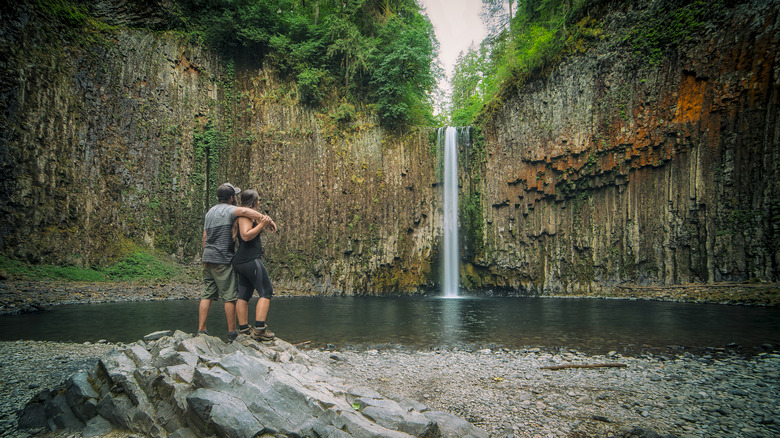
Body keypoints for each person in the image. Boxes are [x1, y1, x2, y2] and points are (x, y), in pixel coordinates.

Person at [198, 183, 271, 341]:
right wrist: (265, 220)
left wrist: (206, 253)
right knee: (231, 296)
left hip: (207, 257)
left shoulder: (210, 211)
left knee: (207, 294)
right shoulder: (230, 210)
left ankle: (201, 329)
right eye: (234, 196)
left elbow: (204, 236)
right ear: (231, 198)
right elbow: (244, 216)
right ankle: (235, 332)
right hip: (223, 258)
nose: (235, 198)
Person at [232, 189, 278, 341]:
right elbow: (245, 236)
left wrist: (264, 222)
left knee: (244, 295)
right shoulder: (245, 216)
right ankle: (259, 329)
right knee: (266, 291)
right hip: (249, 259)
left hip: (242, 261)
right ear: (255, 201)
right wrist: (263, 224)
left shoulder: (246, 215)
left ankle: (244, 329)